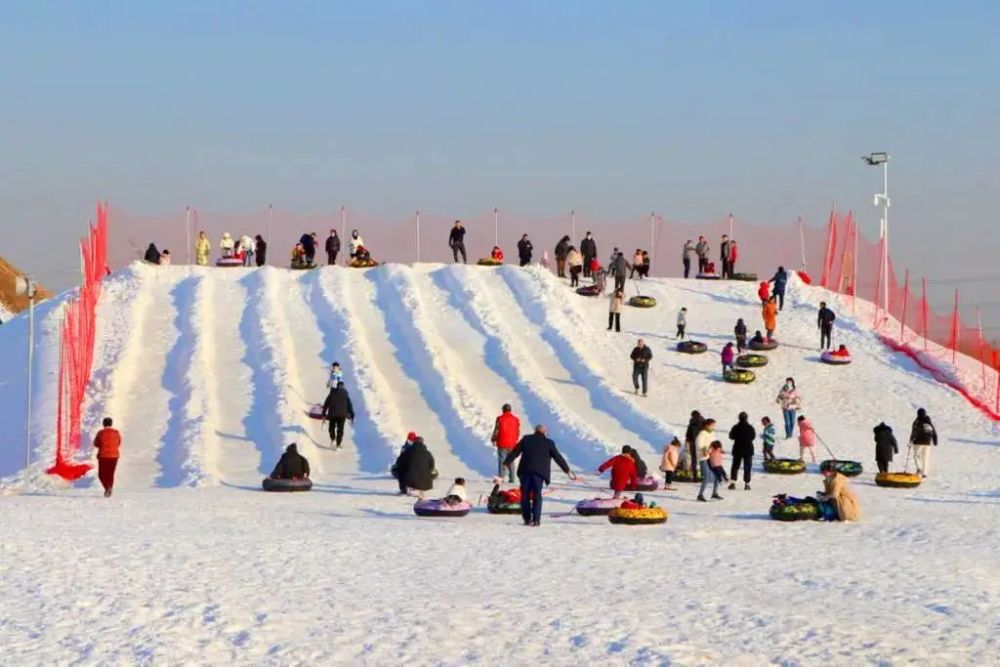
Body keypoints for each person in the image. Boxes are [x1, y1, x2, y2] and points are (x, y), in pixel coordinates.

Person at [503, 424, 576, 526]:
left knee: (525, 495)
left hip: (525, 471)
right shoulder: (548, 442)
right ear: (544, 432)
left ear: (535, 431)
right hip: (540, 473)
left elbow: (515, 452)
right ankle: (536, 520)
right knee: (537, 495)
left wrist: (506, 462)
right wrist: (567, 470)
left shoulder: (526, 439)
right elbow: (557, 457)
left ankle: (527, 519)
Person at [491, 403, 521, 483]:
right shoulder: (516, 419)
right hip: (512, 443)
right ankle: (512, 478)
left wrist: (493, 439)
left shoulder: (500, 419)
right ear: (510, 410)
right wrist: (515, 439)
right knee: (511, 460)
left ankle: (501, 477)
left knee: (502, 460)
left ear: (503, 410)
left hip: (502, 442)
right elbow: (518, 432)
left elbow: (496, 430)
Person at [93, 417, 122, 497]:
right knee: (110, 474)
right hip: (114, 456)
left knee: (101, 474)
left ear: (103, 424)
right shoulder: (116, 433)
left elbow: (95, 443)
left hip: (103, 456)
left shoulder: (100, 433)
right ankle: (109, 488)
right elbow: (119, 442)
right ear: (111, 424)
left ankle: (107, 488)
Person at [321, 381, 355, 450]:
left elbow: (326, 404)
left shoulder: (332, 393)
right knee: (340, 430)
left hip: (332, 414)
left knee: (331, 427)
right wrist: (352, 416)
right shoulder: (346, 394)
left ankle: (333, 439)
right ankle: (338, 445)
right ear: (343, 386)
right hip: (342, 415)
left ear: (337, 386)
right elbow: (349, 406)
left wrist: (323, 414)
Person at [728, 411, 756, 491]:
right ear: (746, 418)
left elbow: (731, 436)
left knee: (735, 466)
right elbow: (753, 437)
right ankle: (747, 484)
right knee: (747, 467)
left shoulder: (735, 427)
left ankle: (733, 483)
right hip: (748, 449)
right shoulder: (750, 427)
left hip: (738, 449)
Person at [909, 408, 938, 478]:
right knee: (925, 457)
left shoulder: (917, 421)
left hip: (918, 442)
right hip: (927, 443)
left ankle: (919, 469)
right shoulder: (929, 422)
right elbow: (934, 431)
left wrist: (911, 440)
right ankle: (924, 473)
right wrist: (935, 440)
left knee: (916, 456)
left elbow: (914, 431)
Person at [695, 419, 719, 501]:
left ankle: (715, 493)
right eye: (712, 425)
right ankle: (700, 495)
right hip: (704, 457)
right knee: (706, 477)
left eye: (714, 426)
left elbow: (714, 443)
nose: (713, 427)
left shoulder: (712, 433)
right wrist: (704, 450)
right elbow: (699, 444)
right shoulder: (702, 433)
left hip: (712, 456)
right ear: (707, 425)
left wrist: (718, 448)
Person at [685, 410, 704, 480]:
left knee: (694, 459)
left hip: (693, 443)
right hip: (702, 444)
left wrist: (688, 441)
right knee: (703, 459)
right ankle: (703, 475)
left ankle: (695, 475)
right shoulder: (703, 423)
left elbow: (687, 435)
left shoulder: (691, 423)